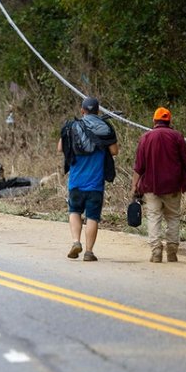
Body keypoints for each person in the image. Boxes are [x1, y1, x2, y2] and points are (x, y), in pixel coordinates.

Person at [57, 97, 119, 262]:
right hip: (95, 184)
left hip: (76, 182)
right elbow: (114, 151)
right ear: (98, 111)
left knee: (74, 212)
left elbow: (60, 148)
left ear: (82, 111)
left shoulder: (72, 127)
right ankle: (89, 252)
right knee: (92, 217)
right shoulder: (105, 127)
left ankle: (76, 242)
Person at [132, 107, 186, 263]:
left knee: (154, 217)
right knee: (173, 218)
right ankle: (172, 253)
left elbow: (139, 167)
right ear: (169, 121)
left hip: (151, 187)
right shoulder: (177, 136)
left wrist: (134, 187)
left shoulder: (146, 138)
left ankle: (156, 251)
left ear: (154, 121)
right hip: (173, 186)